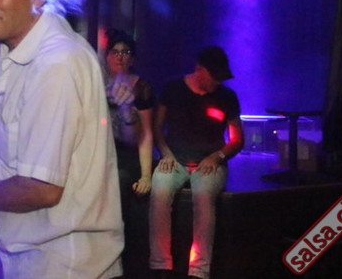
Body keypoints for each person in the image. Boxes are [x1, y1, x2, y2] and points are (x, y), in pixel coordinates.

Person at [0, 0, 123, 278]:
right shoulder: (12, 54)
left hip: (64, 266)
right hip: (34, 261)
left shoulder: (55, 62)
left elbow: (41, 187)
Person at [149, 46, 244, 279]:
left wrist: (217, 156)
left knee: (203, 197)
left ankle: (199, 270)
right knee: (159, 193)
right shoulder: (173, 88)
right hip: (175, 159)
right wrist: (165, 153)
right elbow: (156, 127)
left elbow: (237, 139)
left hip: (209, 162)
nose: (217, 82)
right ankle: (161, 266)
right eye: (214, 77)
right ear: (199, 70)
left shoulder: (227, 96)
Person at [102, 28, 154, 278]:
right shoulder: (96, 83)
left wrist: (146, 175)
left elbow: (146, 136)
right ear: (107, 56)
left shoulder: (140, 87)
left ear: (132, 58)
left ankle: (119, 264)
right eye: (115, 52)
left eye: (125, 52)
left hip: (127, 155)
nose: (120, 57)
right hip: (100, 153)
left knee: (120, 180)